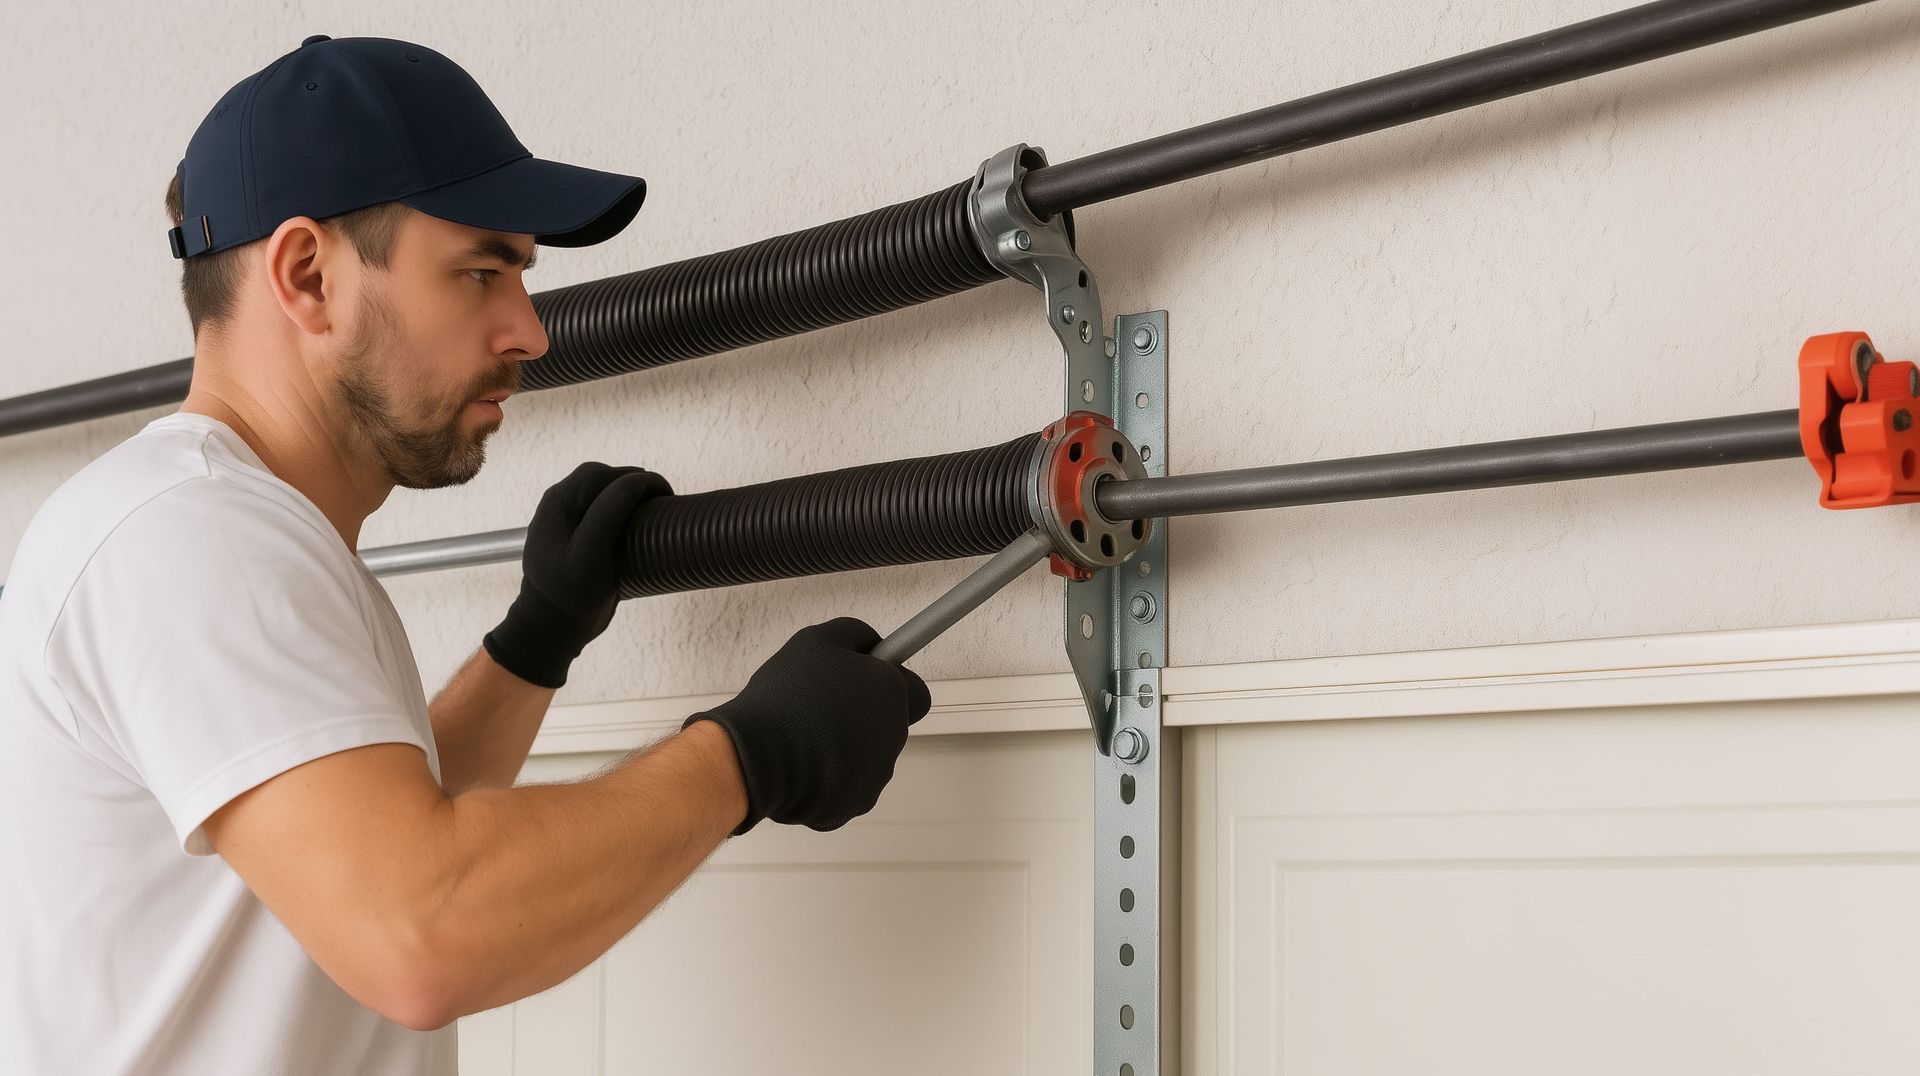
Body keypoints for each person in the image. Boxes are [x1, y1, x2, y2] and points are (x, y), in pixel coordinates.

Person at [0, 35, 930, 1075]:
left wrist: (536, 640)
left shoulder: (233, 535)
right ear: (307, 274)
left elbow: (368, 837)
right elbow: (422, 925)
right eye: (481, 270)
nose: (529, 329)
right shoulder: (186, 533)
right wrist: (751, 755)